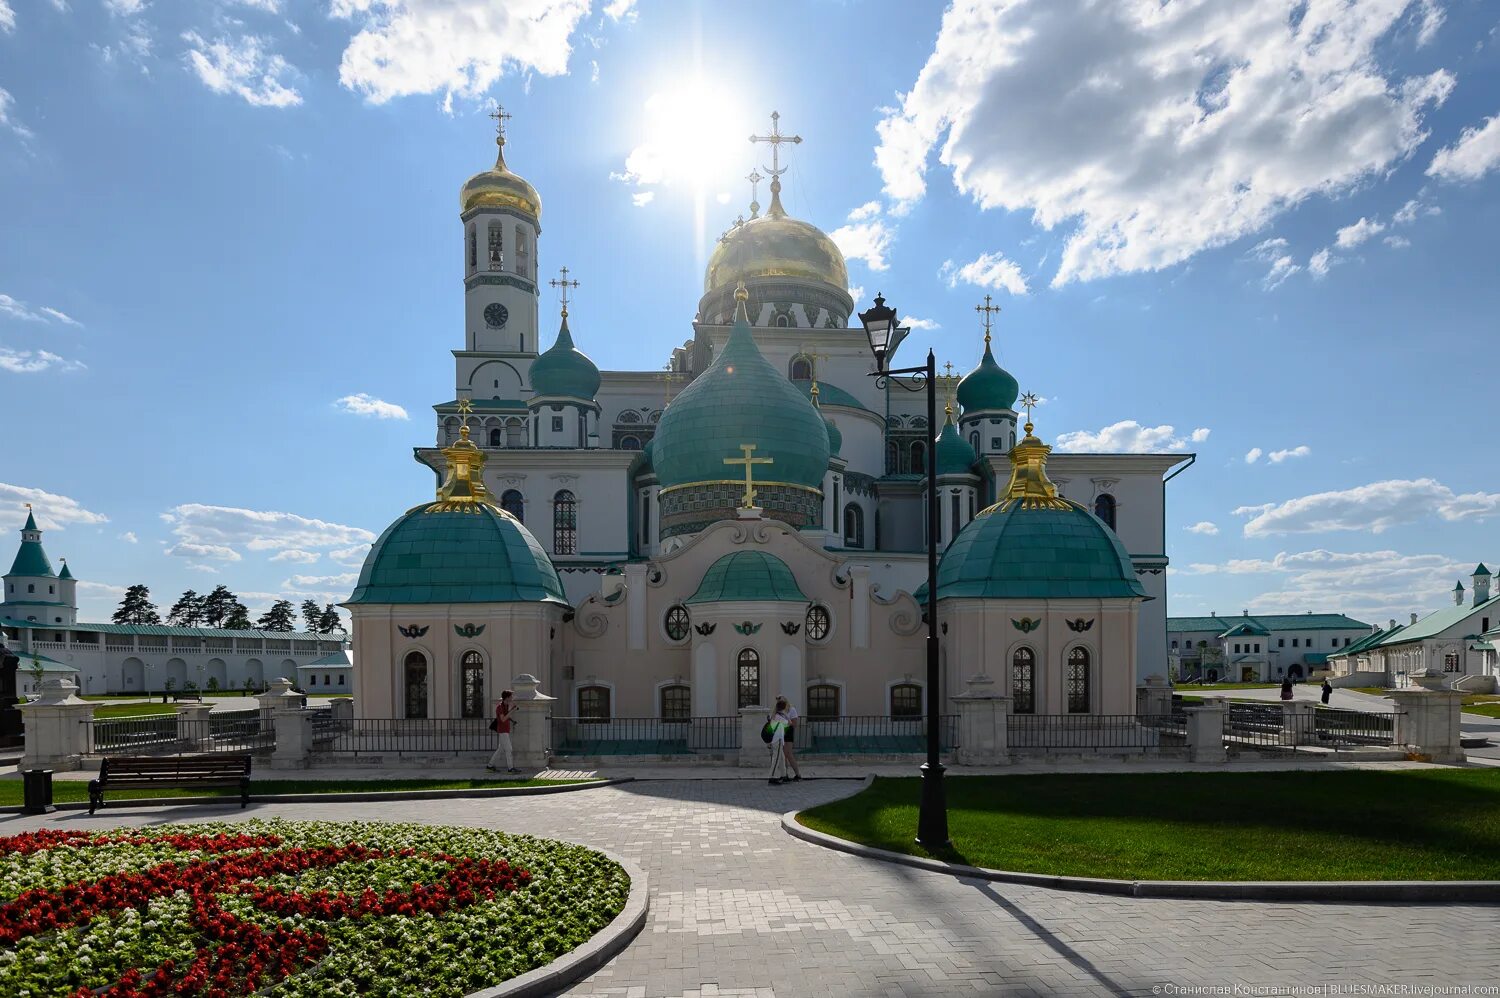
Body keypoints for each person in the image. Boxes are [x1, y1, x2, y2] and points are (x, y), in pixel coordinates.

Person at [486, 689, 519, 774]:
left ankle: (489, 766)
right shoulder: (499, 707)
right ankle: (510, 769)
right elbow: (503, 719)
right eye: (511, 696)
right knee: (509, 749)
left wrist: (512, 720)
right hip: (502, 731)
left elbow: (506, 716)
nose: (512, 698)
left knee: (500, 749)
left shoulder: (505, 705)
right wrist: (512, 710)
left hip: (505, 730)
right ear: (507, 697)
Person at [779, 694, 803, 782]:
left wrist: (785, 722)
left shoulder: (791, 709)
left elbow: (795, 724)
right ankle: (785, 775)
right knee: (783, 756)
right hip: (781, 733)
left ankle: (797, 774)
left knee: (788, 754)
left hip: (788, 732)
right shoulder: (779, 711)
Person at [767, 697, 791, 785]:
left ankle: (784, 775)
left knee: (781, 758)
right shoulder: (778, 716)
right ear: (783, 707)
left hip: (776, 739)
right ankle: (771, 777)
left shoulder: (774, 715)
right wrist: (786, 715)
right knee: (776, 759)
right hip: (778, 740)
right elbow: (789, 723)